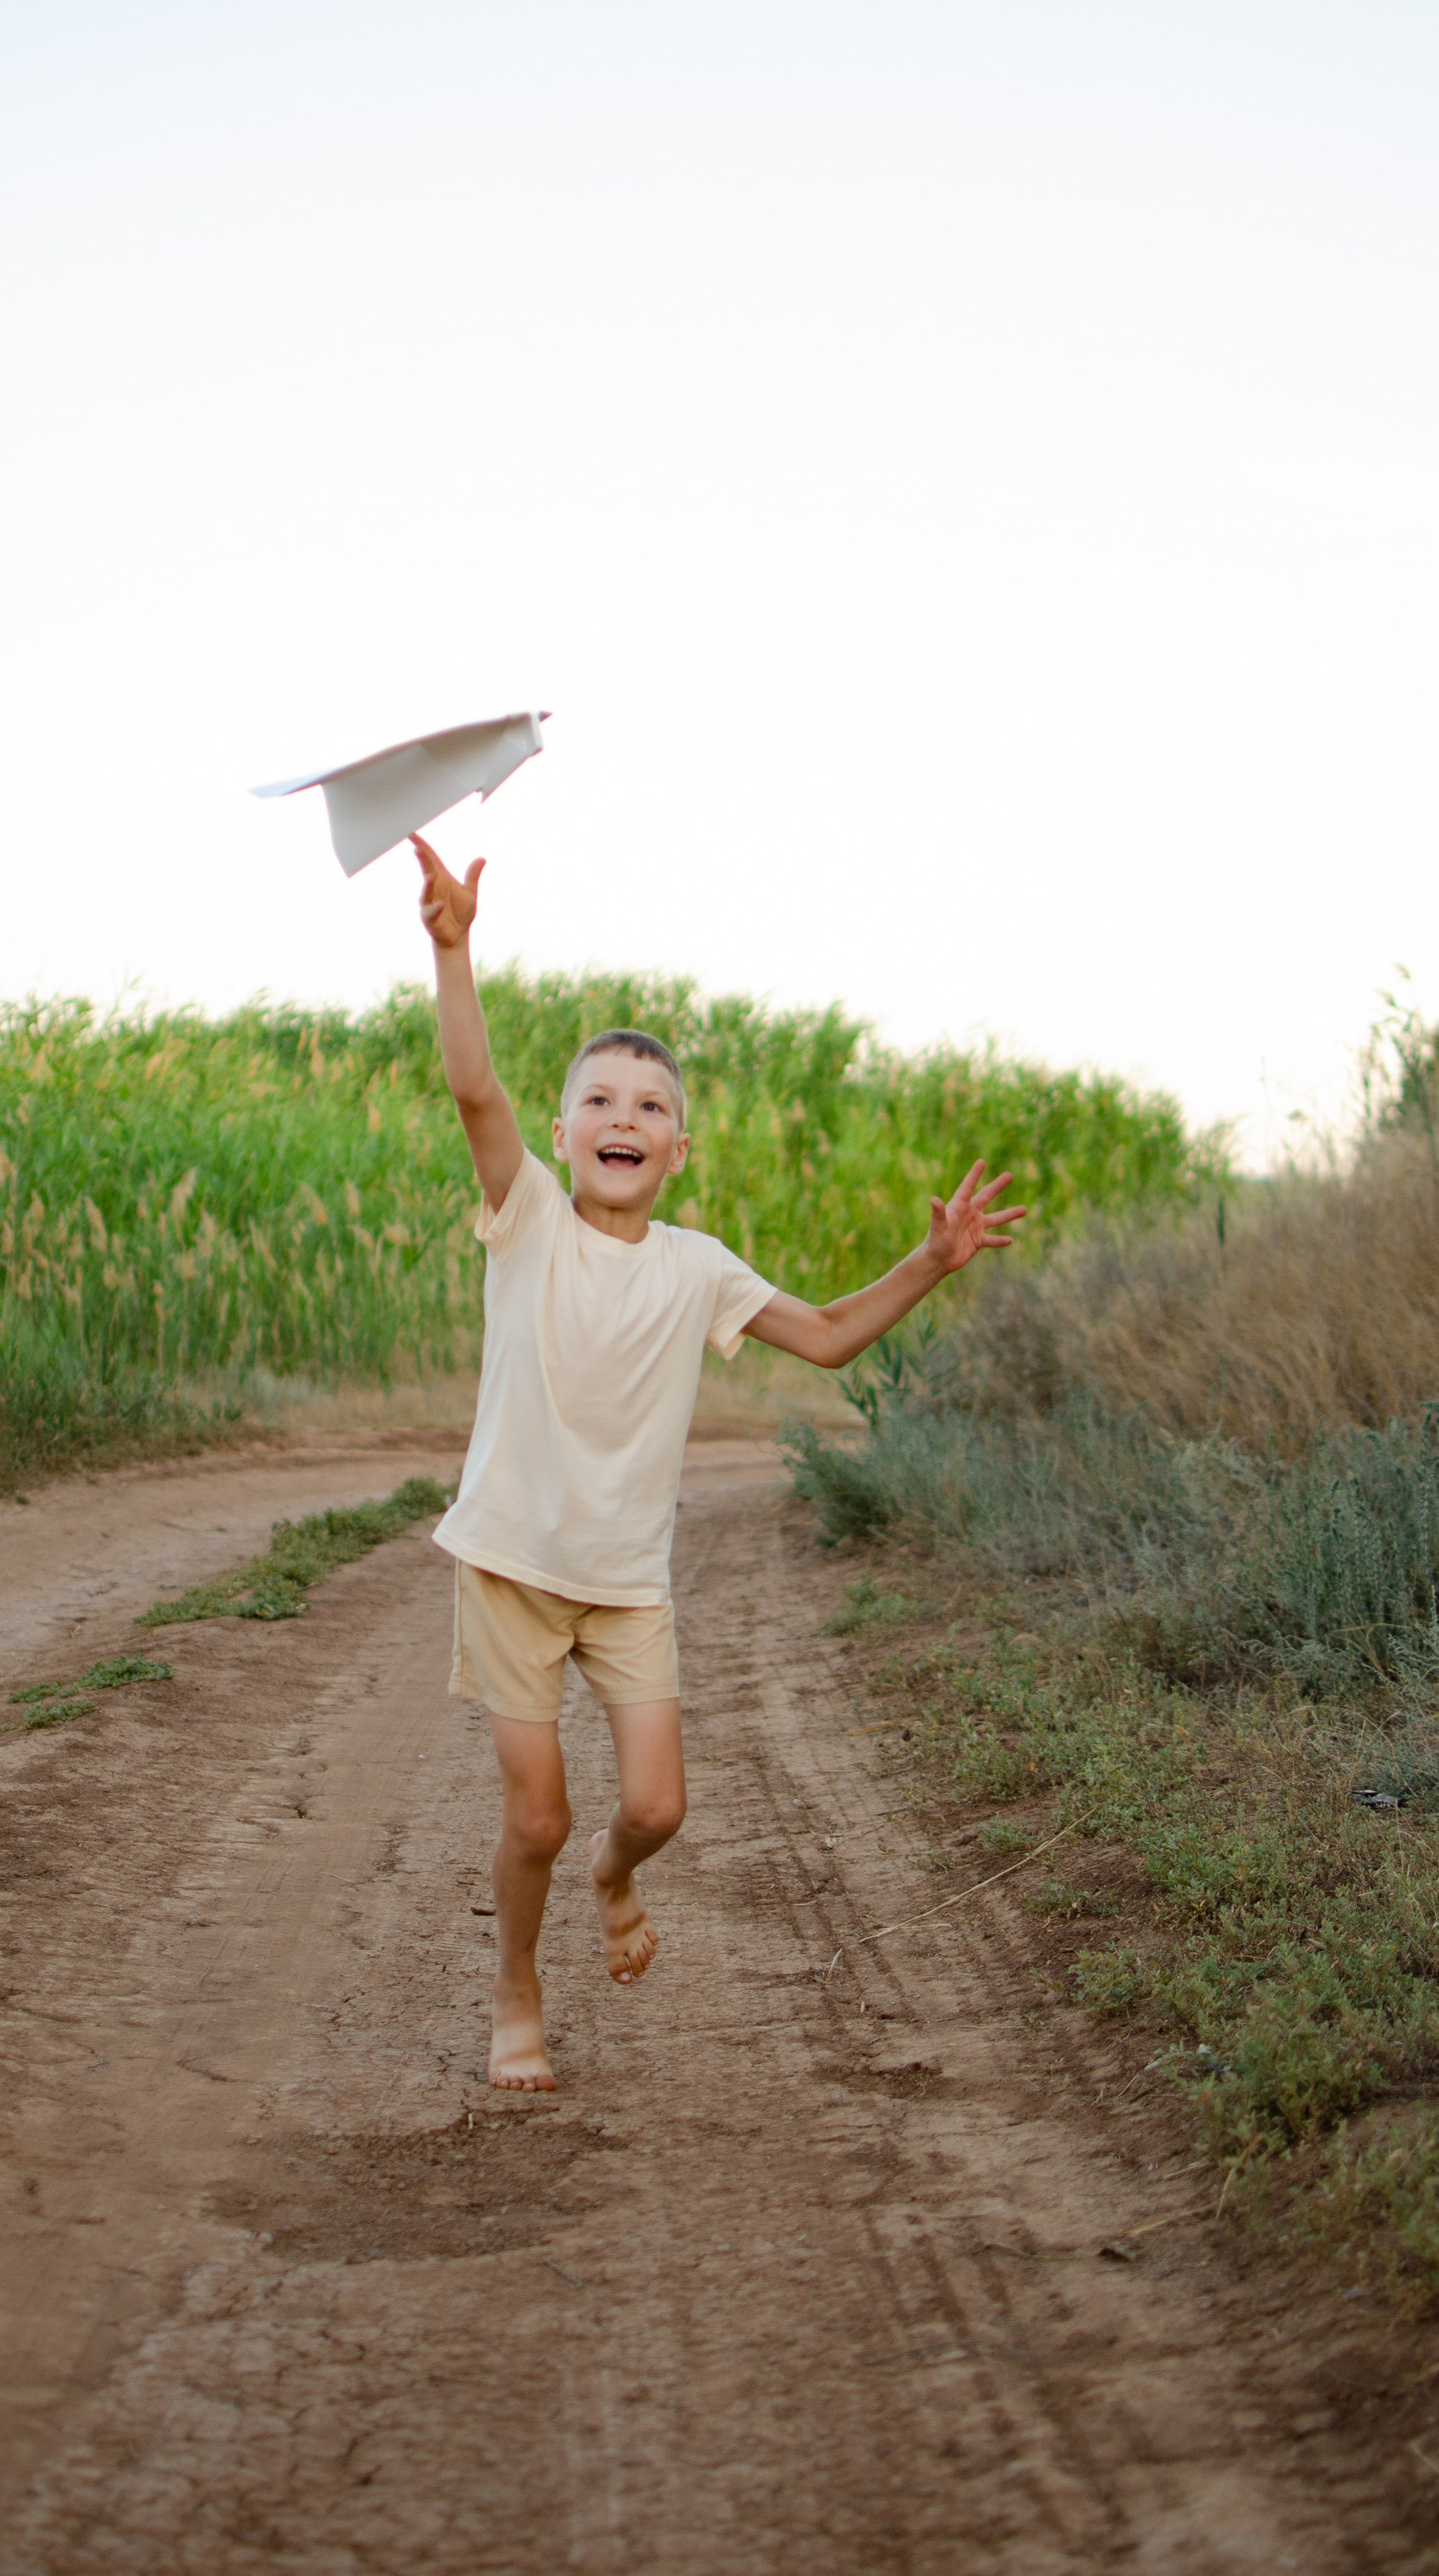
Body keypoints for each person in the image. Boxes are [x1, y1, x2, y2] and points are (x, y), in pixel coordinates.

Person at [411, 833, 1026, 2090]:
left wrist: (932, 1264)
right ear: (569, 1132)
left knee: (654, 1810)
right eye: (599, 1101)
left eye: (651, 1108)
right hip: (514, 1564)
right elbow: (477, 1090)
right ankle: (518, 1989)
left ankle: (615, 1881)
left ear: (678, 1151)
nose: (622, 1118)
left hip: (626, 1582)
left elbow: (833, 1338)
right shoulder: (525, 1216)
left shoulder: (701, 1267)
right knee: (537, 1810)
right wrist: (455, 949)